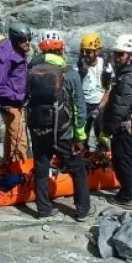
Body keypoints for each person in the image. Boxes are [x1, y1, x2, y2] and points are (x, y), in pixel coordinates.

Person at [26, 30, 92, 221]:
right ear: (61, 49)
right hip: (63, 133)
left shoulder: (31, 71)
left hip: (39, 130)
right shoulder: (69, 73)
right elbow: (80, 106)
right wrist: (80, 137)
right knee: (77, 169)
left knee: (41, 167)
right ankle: (82, 211)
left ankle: (44, 209)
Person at [102, 34, 132, 210]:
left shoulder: (128, 78)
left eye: (121, 54)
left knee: (122, 160)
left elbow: (120, 107)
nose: (117, 57)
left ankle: (126, 196)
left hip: (125, 127)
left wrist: (109, 129)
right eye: (116, 54)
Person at [0, 22, 32, 165]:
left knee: (11, 136)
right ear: (15, 40)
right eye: (23, 40)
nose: (27, 43)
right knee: (20, 140)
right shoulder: (6, 57)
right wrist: (19, 97)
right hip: (10, 104)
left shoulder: (18, 51)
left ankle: (6, 164)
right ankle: (21, 171)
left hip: (16, 102)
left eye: (29, 39)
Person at [76, 33, 114, 149]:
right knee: (81, 138)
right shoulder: (78, 66)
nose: (84, 54)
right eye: (83, 51)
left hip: (100, 105)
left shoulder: (106, 66)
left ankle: (103, 159)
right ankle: (82, 160)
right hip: (83, 106)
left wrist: (99, 107)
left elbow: (109, 89)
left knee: (102, 137)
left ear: (97, 52)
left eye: (88, 52)